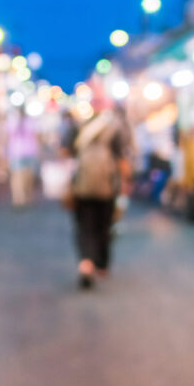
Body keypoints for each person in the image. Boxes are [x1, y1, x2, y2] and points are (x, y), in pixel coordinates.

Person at [66, 108, 131, 289]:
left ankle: (86, 263)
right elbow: (122, 161)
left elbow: (65, 154)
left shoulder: (77, 129)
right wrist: (126, 184)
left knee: (84, 226)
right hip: (107, 187)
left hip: (81, 186)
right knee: (104, 225)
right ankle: (102, 265)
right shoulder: (113, 131)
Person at [7, 106, 39, 206]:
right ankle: (23, 197)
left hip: (19, 151)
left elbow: (7, 137)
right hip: (25, 151)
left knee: (20, 176)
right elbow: (37, 136)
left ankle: (20, 197)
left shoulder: (15, 121)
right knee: (24, 175)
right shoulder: (27, 122)